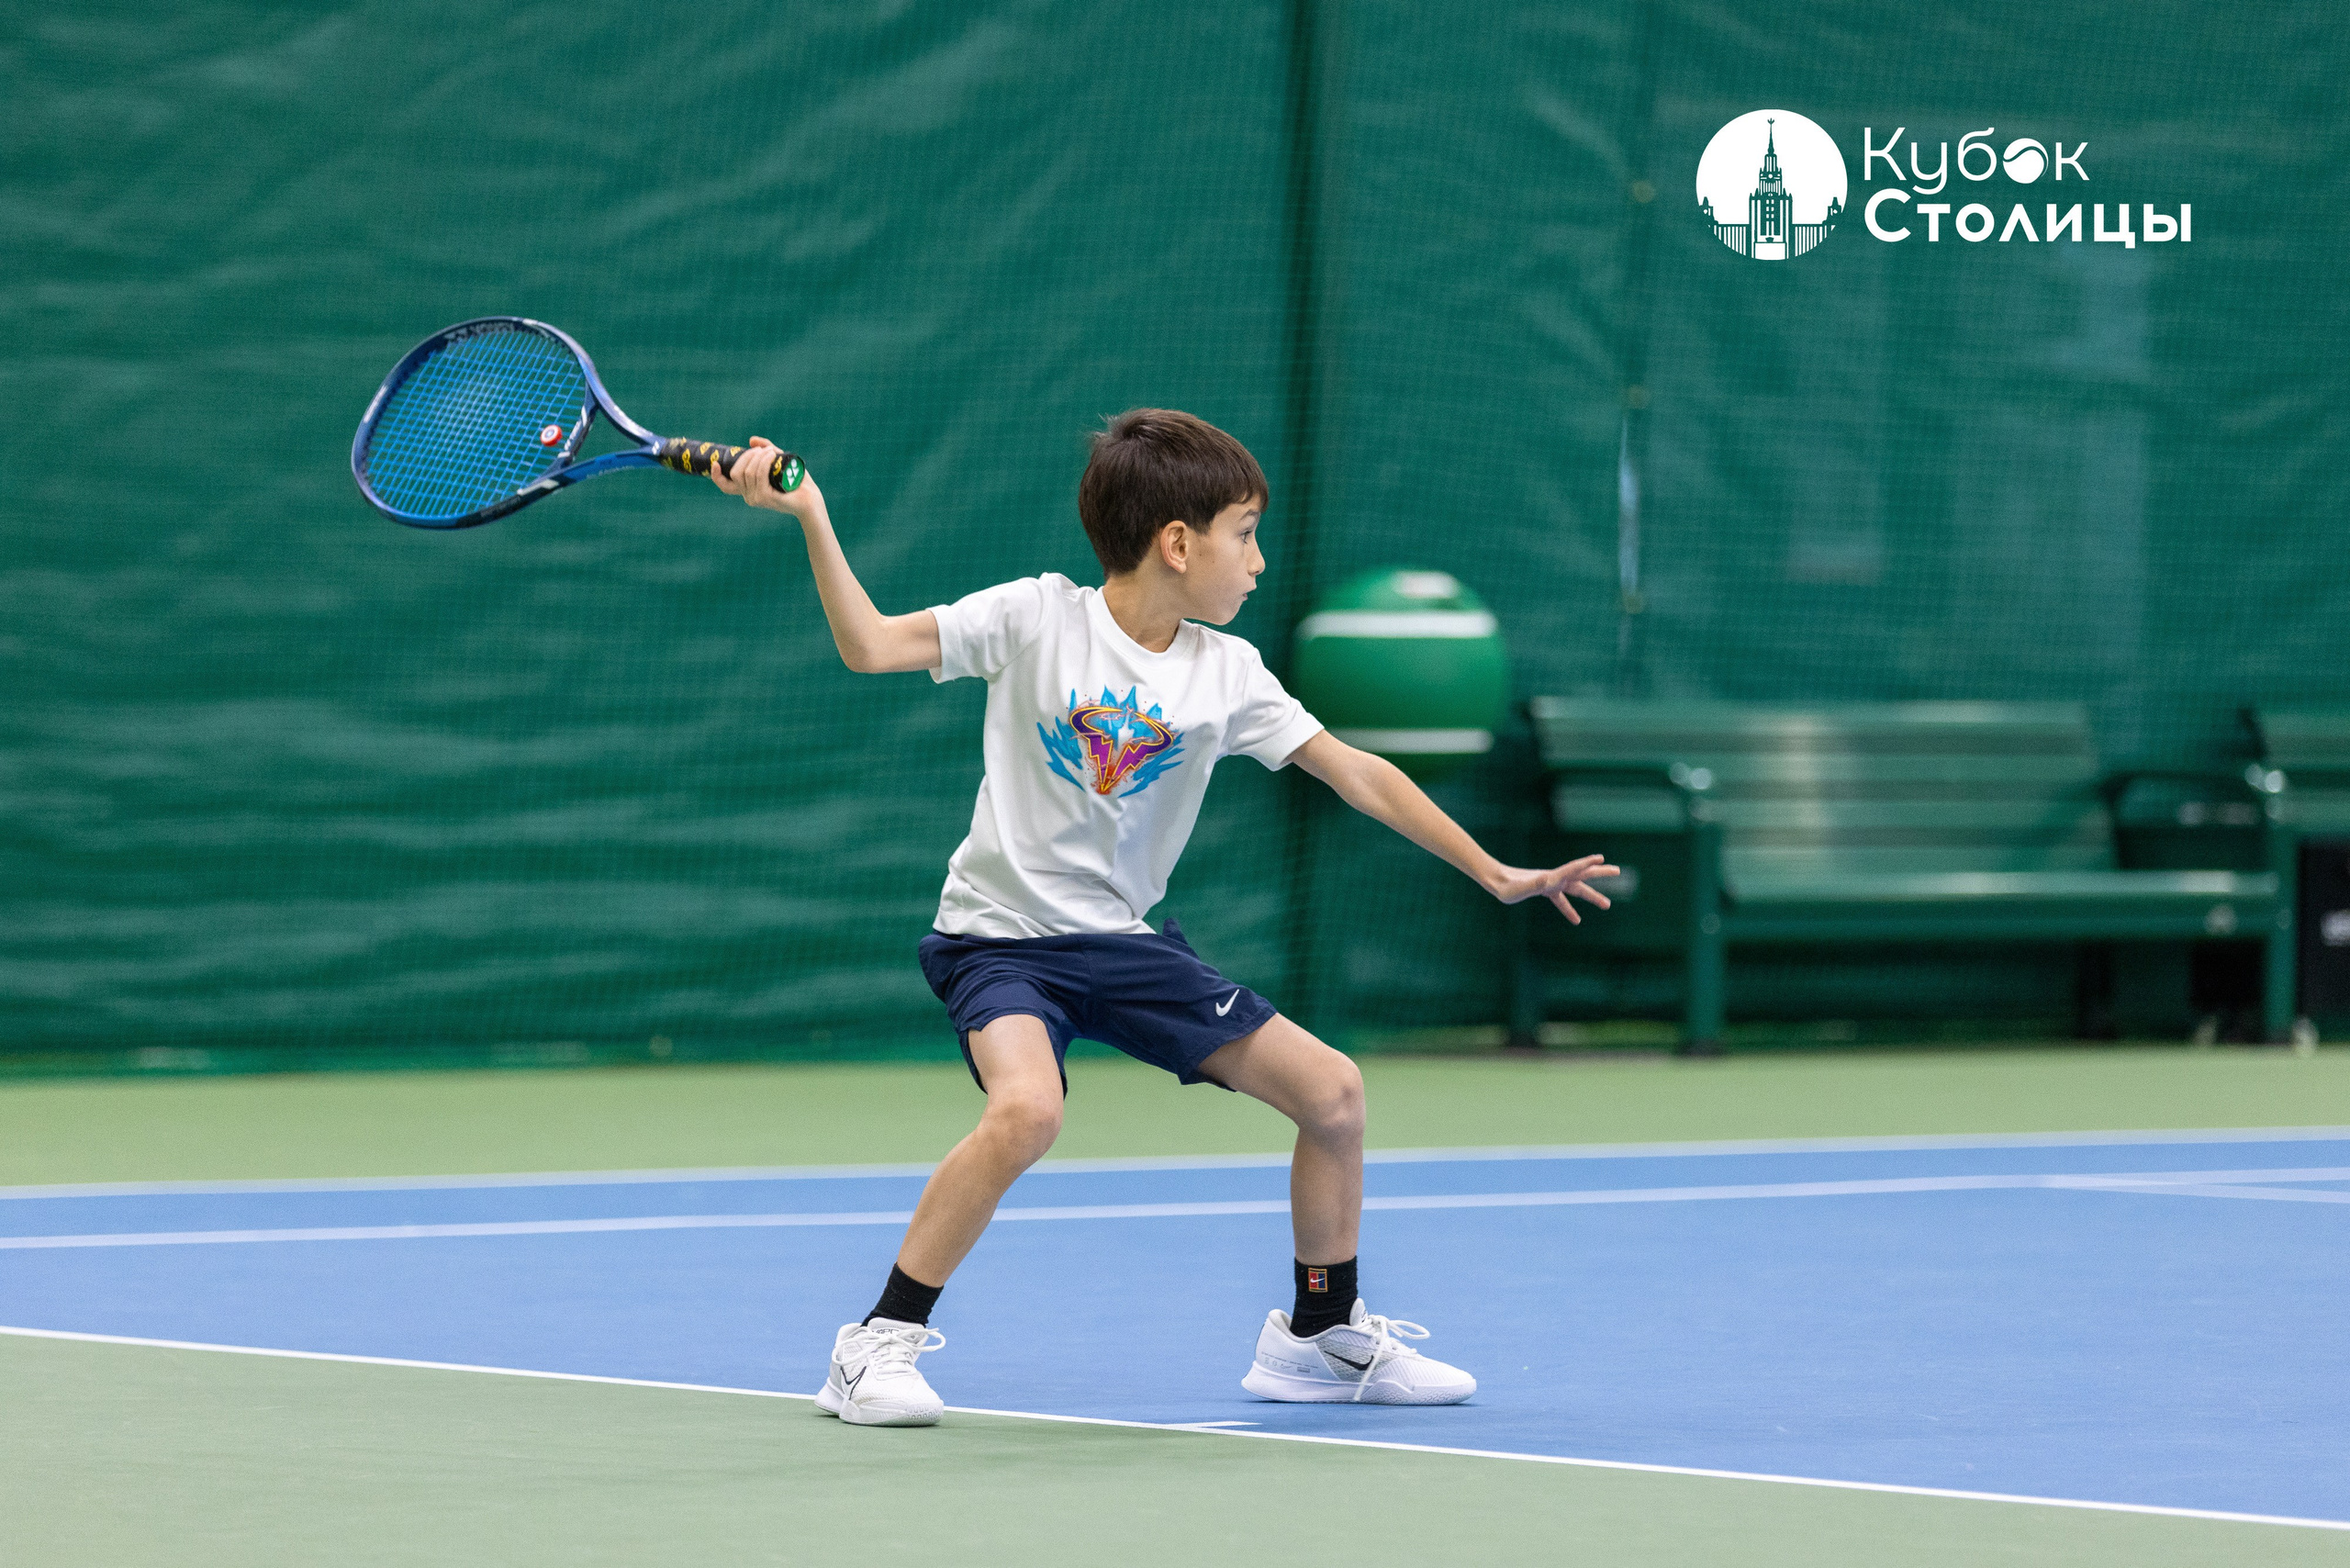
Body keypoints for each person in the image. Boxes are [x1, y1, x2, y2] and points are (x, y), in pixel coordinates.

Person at [712, 409, 1616, 1427]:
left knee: (1333, 1094)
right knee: (1028, 1110)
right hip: (999, 942)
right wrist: (812, 514)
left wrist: (1494, 871)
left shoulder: (1226, 672)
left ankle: (1318, 1334)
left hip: (1122, 944)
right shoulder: (1035, 616)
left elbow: (1355, 771)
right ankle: (875, 1342)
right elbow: (871, 645)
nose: (1259, 562)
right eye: (1245, 534)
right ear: (1177, 543)